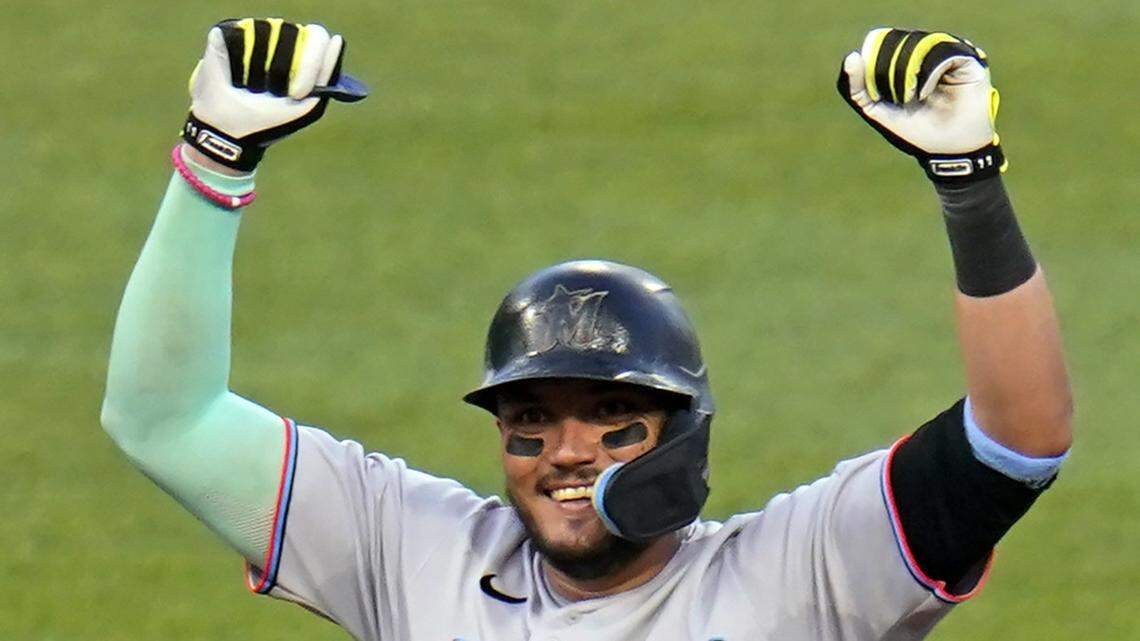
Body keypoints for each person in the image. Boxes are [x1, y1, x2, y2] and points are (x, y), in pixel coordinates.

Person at [102, 19, 1073, 641]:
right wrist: (216, 160)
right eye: (531, 418)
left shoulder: (804, 572)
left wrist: (969, 187)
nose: (565, 451)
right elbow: (165, 419)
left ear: (682, 433)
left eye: (613, 416)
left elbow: (1015, 443)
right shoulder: (416, 550)